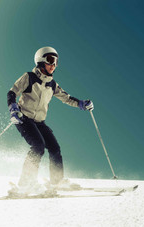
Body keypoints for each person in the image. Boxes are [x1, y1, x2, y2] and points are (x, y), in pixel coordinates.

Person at [7, 46, 93, 194]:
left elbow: (66, 97)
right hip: (24, 119)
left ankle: (56, 182)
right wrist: (13, 109)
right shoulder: (29, 77)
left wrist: (81, 103)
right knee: (38, 147)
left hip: (40, 122)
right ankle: (25, 184)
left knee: (54, 148)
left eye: (56, 61)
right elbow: (12, 92)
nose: (53, 65)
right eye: (50, 60)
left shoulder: (52, 84)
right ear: (40, 61)